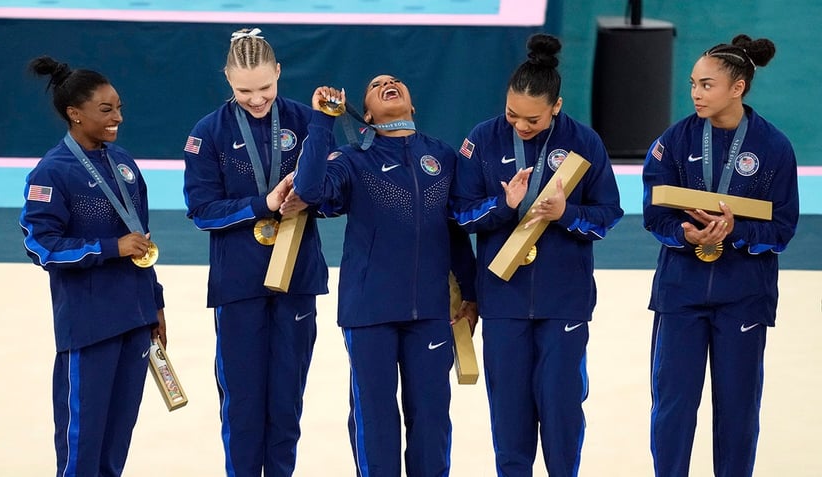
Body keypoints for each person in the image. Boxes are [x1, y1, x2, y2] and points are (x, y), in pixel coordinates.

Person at [450, 33, 623, 476]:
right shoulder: (483, 140)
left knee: (562, 409)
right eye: (512, 114)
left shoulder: (585, 142)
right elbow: (461, 214)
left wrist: (566, 213)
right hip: (503, 301)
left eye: (532, 119)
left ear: (556, 107)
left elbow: (607, 215)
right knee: (509, 414)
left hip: (563, 299)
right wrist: (503, 205)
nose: (520, 126)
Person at [293, 76, 478, 476]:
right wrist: (322, 121)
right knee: (375, 420)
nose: (387, 83)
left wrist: (471, 293)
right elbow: (309, 190)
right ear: (368, 114)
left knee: (431, 419)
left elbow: (456, 229)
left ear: (412, 107)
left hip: (431, 311)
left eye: (395, 81)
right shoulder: (352, 160)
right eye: (376, 85)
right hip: (369, 312)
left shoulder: (443, 157)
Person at [642, 34, 798, 477]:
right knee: (672, 407)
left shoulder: (773, 148)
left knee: (738, 410)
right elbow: (654, 216)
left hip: (743, 296)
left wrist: (736, 231)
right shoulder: (673, 141)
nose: (695, 93)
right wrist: (686, 233)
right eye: (693, 83)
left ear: (738, 87)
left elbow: (782, 230)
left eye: (707, 84)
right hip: (680, 295)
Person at [182, 28, 329, 476]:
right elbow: (202, 211)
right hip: (239, 284)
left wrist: (311, 196)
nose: (258, 99)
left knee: (286, 404)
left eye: (266, 87)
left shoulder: (307, 122)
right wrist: (262, 205)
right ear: (227, 77)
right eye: (245, 90)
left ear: (279, 73)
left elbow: (337, 193)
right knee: (243, 406)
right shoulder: (208, 133)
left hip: (297, 279)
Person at [21, 56, 166, 476]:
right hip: (88, 326)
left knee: (115, 445)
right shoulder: (52, 173)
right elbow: (41, 246)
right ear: (74, 113)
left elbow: (141, 237)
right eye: (106, 110)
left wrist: (154, 304)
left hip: (135, 319)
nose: (117, 117)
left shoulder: (122, 162)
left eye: (119, 107)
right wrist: (109, 248)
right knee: (82, 448)